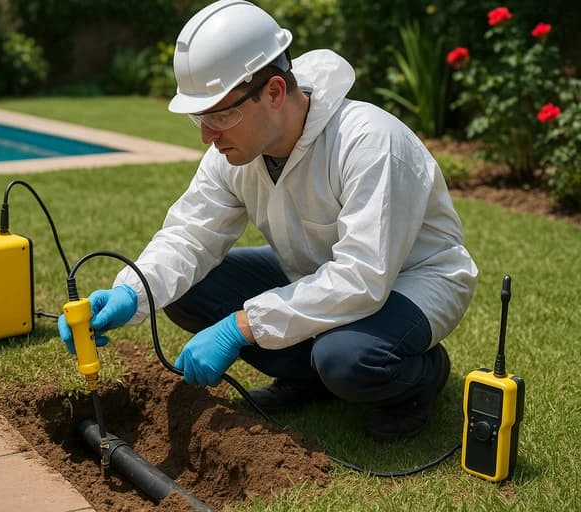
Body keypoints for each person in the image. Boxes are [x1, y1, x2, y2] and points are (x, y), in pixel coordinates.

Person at [58, 0, 478, 441]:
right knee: (185, 288)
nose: (207, 134)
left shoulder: (369, 142)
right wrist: (130, 291)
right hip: (316, 271)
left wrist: (241, 326)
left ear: (275, 92)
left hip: (409, 282)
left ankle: (418, 380)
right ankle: (307, 378)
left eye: (219, 115)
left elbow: (362, 278)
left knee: (346, 356)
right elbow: (190, 235)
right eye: (200, 117)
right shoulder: (233, 153)